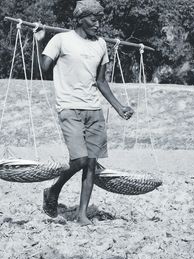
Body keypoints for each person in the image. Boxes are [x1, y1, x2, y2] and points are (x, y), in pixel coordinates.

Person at [35, 0, 134, 226]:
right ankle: (53, 190)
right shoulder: (61, 40)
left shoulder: (100, 45)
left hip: (93, 109)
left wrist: (119, 107)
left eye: (99, 19)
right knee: (79, 160)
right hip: (69, 107)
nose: (98, 24)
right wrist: (39, 41)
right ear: (80, 19)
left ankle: (82, 214)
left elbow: (101, 81)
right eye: (93, 19)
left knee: (90, 164)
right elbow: (44, 67)